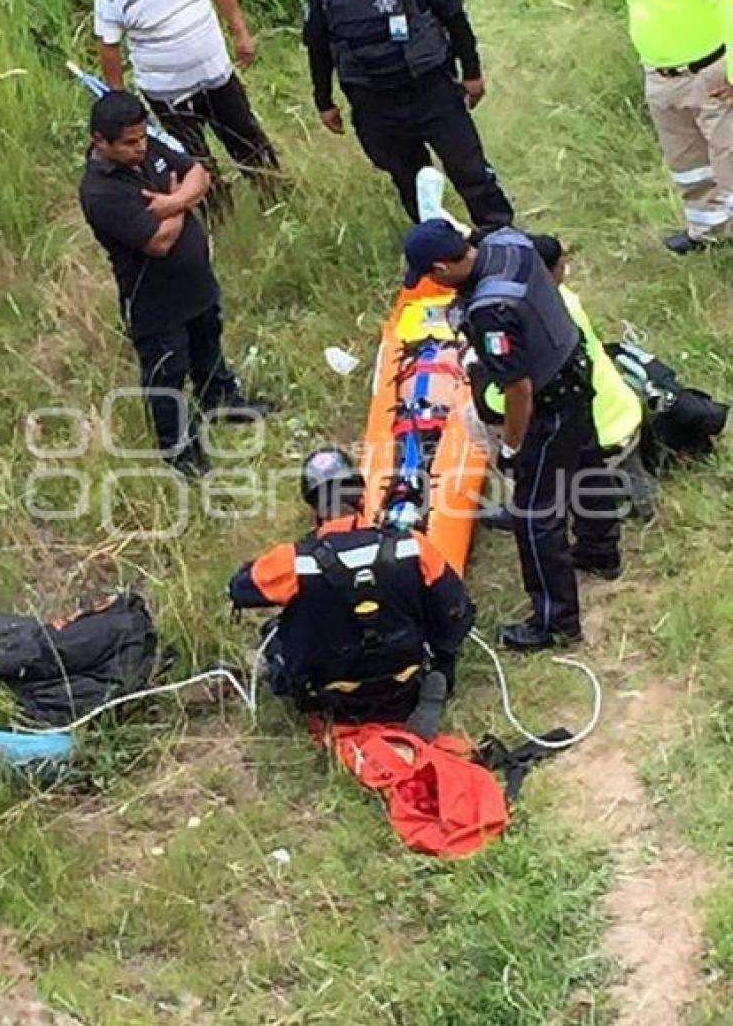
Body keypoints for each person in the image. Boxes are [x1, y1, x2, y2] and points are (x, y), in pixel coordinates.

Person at [403, 220, 623, 650]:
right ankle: (600, 551)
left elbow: (518, 389)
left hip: (548, 402)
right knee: (586, 465)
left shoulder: (491, 312)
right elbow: (554, 252)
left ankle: (554, 623)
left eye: (430, 275)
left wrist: (512, 445)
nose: (433, 283)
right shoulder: (508, 241)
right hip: (574, 369)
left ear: (443, 265)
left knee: (534, 515)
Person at [78, 91, 270, 475]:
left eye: (143, 137)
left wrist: (171, 201)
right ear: (101, 141)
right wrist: (183, 200)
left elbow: (199, 173)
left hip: (195, 284)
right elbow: (159, 242)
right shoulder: (101, 192)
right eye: (130, 143)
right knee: (167, 372)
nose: (141, 147)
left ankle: (220, 399)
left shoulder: (146, 148)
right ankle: (179, 450)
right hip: (154, 300)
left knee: (207, 344)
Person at [228, 447, 474, 737]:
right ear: (360, 496)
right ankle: (435, 678)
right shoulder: (412, 546)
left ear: (315, 509)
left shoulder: (293, 562)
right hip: (404, 683)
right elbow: (458, 611)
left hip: (331, 697)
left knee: (275, 633)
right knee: (437, 607)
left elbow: (239, 588)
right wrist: (443, 654)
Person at [303, 0, 513, 226]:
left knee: (469, 170)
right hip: (374, 103)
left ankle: (502, 237)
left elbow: (454, 17)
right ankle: (443, 255)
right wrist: (324, 101)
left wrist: (471, 72)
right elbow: (318, 45)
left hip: (431, 89)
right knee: (411, 182)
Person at [94, 0, 280, 218]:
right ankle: (219, 216)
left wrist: (241, 33)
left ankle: (275, 197)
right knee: (191, 158)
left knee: (247, 137)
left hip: (216, 74)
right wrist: (121, 100)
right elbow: (108, 47)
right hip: (168, 94)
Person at [471, 234, 654, 525]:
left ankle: (521, 498)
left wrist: (481, 377)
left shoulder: (523, 318)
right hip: (624, 411)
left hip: (593, 432)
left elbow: (511, 397)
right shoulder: (565, 301)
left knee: (489, 413)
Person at [584, 0, 733, 254]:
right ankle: (708, 233)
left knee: (729, 159)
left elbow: (727, 3)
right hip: (661, 76)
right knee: (688, 165)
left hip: (709, 74)